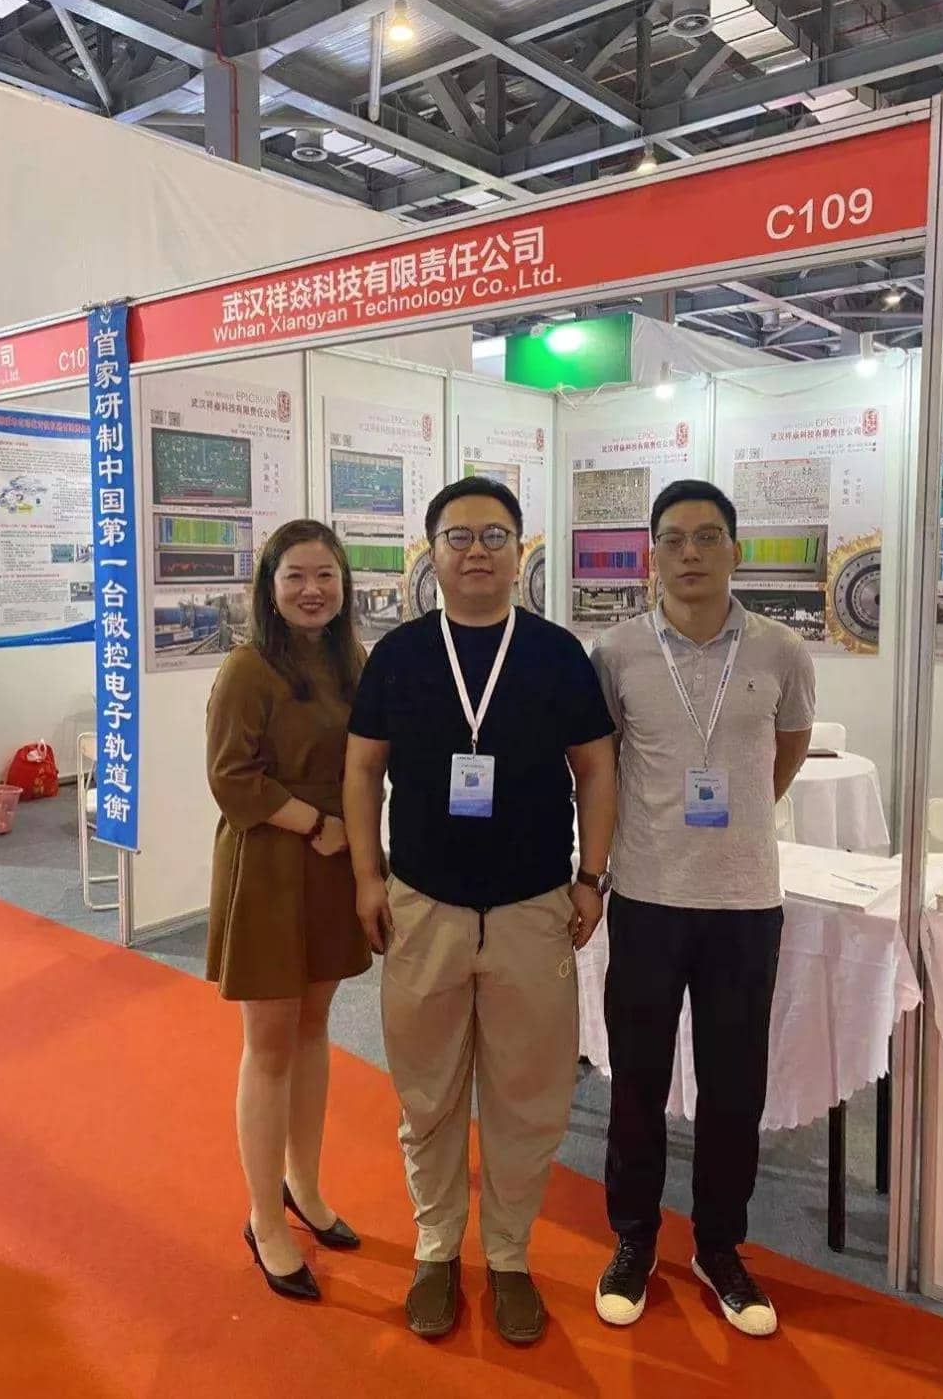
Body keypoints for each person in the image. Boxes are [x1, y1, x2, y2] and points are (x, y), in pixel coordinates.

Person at [343, 476, 616, 1346]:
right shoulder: (398, 655)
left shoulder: (557, 653)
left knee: (527, 1094)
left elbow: (596, 769)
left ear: (518, 549)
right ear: (431, 551)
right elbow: (362, 770)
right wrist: (367, 876)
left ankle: (507, 1254)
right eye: (457, 536)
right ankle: (435, 1246)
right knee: (426, 1089)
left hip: (534, 908)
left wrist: (591, 876)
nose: (475, 551)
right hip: (424, 904)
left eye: (494, 535)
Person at [590, 479, 815, 1339]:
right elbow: (603, 764)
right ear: (652, 554)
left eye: (708, 536)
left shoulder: (781, 650)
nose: (690, 552)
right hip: (647, 898)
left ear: (736, 550)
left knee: (733, 1086)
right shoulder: (616, 652)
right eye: (674, 538)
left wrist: (738, 822)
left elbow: (787, 749)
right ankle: (633, 1238)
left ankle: (719, 1246)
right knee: (637, 1081)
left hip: (744, 903)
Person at [205, 519, 372, 1303]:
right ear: (269, 587)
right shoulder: (247, 667)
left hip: (332, 862)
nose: (313, 589)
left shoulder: (348, 660)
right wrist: (316, 824)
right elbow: (231, 777)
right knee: (270, 1043)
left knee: (313, 1028)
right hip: (274, 861)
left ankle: (303, 1184)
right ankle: (263, 1215)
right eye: (296, 575)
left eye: (326, 575)